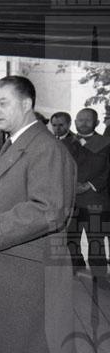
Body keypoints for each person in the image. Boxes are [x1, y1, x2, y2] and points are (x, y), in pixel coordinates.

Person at [0, 76, 75, 353]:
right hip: (6, 265)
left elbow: (50, 209)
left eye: (3, 103)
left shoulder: (45, 147)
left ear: (26, 104)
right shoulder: (15, 143)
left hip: (20, 272)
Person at [68, 107, 110, 273]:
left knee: (95, 242)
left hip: (95, 199)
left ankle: (100, 278)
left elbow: (108, 170)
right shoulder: (67, 143)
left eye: (88, 120)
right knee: (71, 241)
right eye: (80, 120)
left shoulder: (106, 143)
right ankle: (75, 273)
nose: (83, 123)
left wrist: (89, 184)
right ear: (75, 122)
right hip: (71, 200)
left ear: (97, 122)